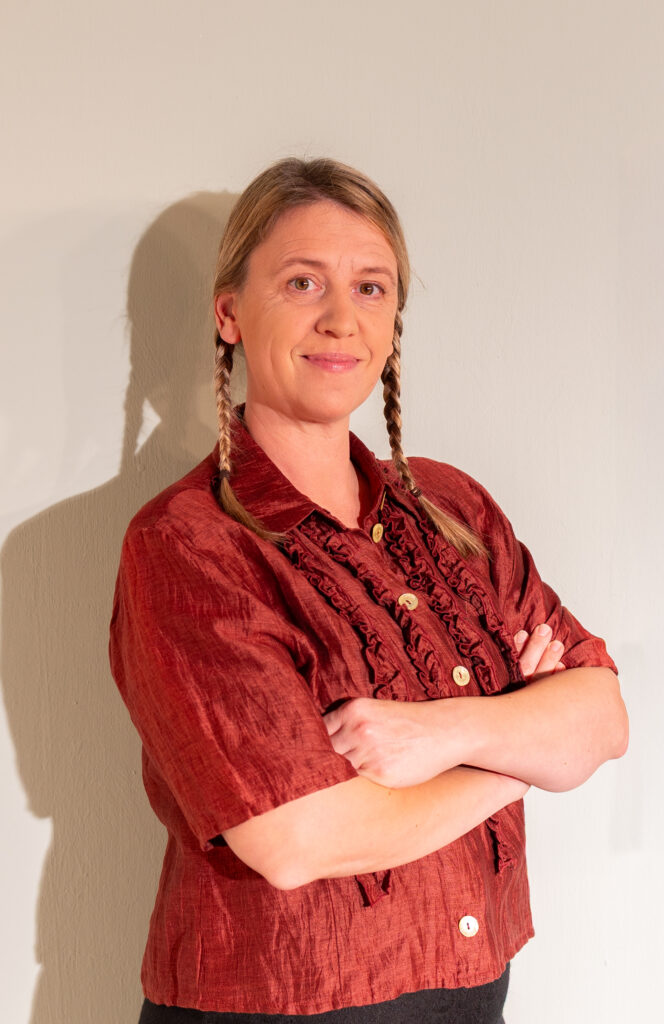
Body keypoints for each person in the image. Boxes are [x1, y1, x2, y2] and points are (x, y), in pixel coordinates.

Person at [109, 157, 628, 1023]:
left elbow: (602, 717)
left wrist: (439, 735)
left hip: (473, 994)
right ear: (229, 313)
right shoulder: (188, 543)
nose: (340, 318)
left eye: (371, 287)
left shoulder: (452, 509)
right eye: (302, 282)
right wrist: (521, 755)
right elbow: (294, 837)